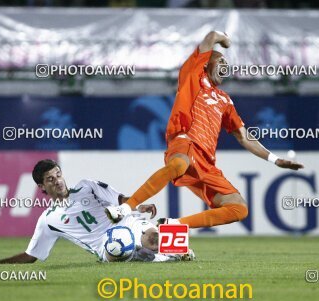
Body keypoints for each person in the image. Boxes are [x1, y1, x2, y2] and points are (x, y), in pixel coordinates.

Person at [106, 31, 304, 228]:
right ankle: (126, 208)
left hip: (206, 163)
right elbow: (210, 38)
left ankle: (174, 224)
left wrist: (275, 159)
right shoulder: (192, 77)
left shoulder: (225, 100)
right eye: (221, 62)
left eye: (227, 65)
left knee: (239, 208)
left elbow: (244, 137)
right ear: (207, 63)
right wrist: (223, 39)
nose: (225, 67)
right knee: (179, 165)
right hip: (184, 141)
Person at [0, 159, 194, 264]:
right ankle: (166, 253)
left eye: (58, 174)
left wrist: (138, 206)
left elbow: (120, 200)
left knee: (154, 239)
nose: (58, 181)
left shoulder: (87, 187)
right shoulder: (48, 220)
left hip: (126, 222)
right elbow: (32, 255)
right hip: (106, 246)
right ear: (42, 187)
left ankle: (173, 248)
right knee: (119, 247)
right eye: (50, 179)